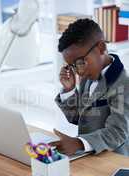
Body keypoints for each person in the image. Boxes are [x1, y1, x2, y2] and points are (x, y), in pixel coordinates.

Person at [50, 18, 129, 156]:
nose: (78, 72)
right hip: (90, 156)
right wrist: (69, 90)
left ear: (101, 48)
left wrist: (79, 143)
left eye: (80, 62)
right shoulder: (88, 77)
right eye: (73, 66)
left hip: (113, 161)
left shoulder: (123, 84)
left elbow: (117, 132)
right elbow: (78, 118)